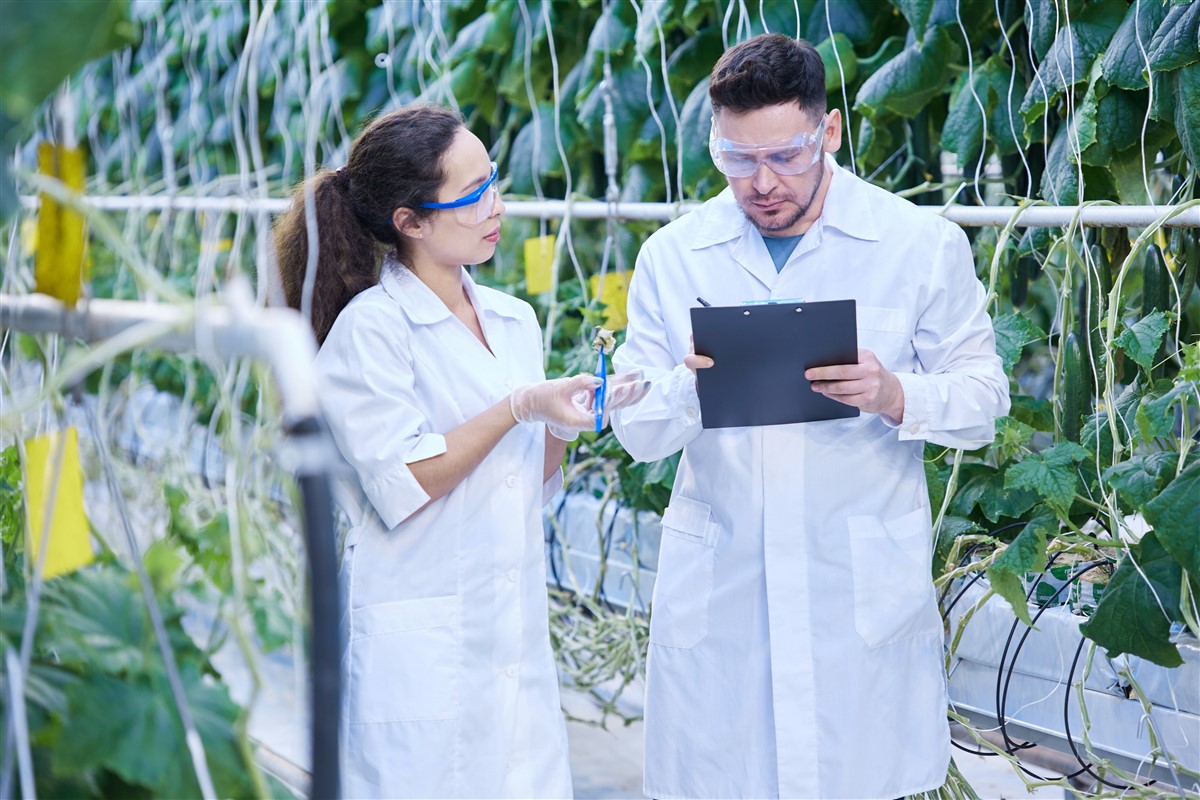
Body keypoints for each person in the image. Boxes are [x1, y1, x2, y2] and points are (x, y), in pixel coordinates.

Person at [611, 34, 1010, 800]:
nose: (761, 183)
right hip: (723, 587)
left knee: (857, 776)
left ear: (827, 132)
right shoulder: (676, 255)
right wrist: (690, 389)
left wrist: (897, 395)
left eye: (785, 158)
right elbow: (636, 428)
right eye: (737, 161)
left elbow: (985, 400)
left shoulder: (917, 244)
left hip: (854, 586)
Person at [273, 104, 647, 799]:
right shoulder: (373, 329)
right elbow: (407, 480)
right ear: (408, 221)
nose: (494, 207)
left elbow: (524, 484)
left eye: (493, 182)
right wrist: (518, 406)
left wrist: (565, 422)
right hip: (423, 649)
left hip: (514, 645)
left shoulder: (514, 320)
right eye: (472, 196)